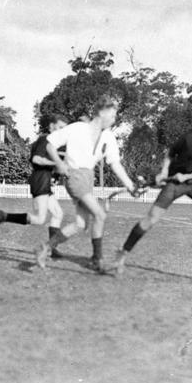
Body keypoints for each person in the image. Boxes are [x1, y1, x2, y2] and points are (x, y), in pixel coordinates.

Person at [112, 118, 192, 273]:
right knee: (151, 219)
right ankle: (122, 254)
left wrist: (187, 176)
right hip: (174, 184)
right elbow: (170, 153)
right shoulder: (190, 138)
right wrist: (164, 172)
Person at [35, 95, 138, 271]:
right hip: (74, 176)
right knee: (100, 215)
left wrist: (130, 184)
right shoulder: (77, 128)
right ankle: (97, 259)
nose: (114, 120)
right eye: (112, 115)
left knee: (80, 224)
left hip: (88, 177)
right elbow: (50, 144)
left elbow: (115, 163)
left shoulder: (108, 137)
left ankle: (45, 248)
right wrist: (59, 164)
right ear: (102, 112)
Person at [0, 114, 69, 257]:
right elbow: (36, 159)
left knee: (58, 213)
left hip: (45, 180)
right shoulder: (45, 139)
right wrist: (57, 163)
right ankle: (4, 216)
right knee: (39, 219)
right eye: (60, 127)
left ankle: (51, 248)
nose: (62, 131)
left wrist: (59, 171)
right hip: (40, 179)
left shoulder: (54, 144)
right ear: (51, 126)